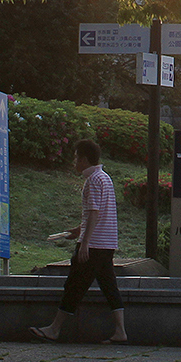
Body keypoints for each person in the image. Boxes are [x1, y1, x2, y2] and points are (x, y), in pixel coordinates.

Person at [31, 139, 126, 344]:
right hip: (107, 243)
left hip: (94, 244)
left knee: (74, 285)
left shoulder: (92, 180)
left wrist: (85, 241)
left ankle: (55, 329)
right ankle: (120, 331)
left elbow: (94, 212)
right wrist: (79, 230)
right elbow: (99, 213)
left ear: (83, 159)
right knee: (109, 286)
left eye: (76, 157)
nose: (74, 161)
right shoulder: (105, 178)